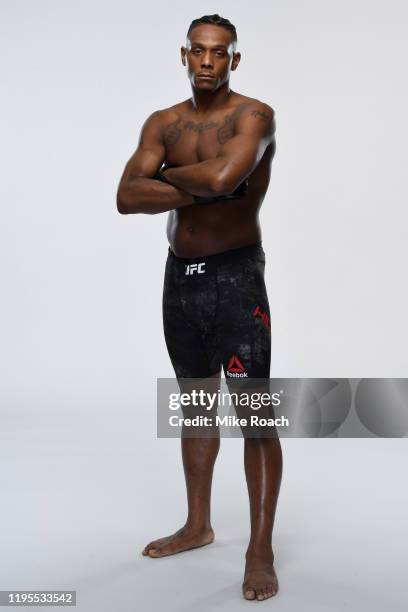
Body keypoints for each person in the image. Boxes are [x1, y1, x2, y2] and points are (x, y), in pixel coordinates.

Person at [116, 14, 282, 602]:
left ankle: (259, 549)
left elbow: (228, 172)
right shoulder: (163, 122)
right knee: (194, 407)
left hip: (237, 278)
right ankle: (198, 525)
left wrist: (170, 176)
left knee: (256, 416)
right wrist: (204, 183)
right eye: (198, 52)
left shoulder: (253, 116)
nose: (208, 62)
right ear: (184, 55)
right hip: (180, 282)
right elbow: (125, 195)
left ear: (234, 59)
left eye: (220, 53)